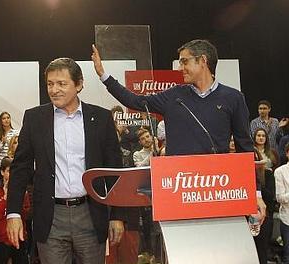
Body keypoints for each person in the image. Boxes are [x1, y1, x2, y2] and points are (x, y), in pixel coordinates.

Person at [92, 39, 266, 222]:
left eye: (184, 61)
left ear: (203, 61)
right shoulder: (174, 96)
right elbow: (134, 101)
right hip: (178, 190)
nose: (179, 67)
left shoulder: (234, 98)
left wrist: (255, 193)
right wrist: (104, 76)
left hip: (217, 190)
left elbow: (244, 149)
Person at [6, 58, 124, 264]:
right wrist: (13, 212)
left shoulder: (101, 118)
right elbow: (21, 167)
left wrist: (117, 214)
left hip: (91, 214)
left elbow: (114, 170)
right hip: (52, 216)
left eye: (62, 83)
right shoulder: (35, 118)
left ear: (79, 85)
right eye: (50, 84)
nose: (55, 89)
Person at [275, 143, 289, 264]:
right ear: (287, 153)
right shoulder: (280, 172)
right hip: (287, 219)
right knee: (288, 255)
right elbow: (280, 198)